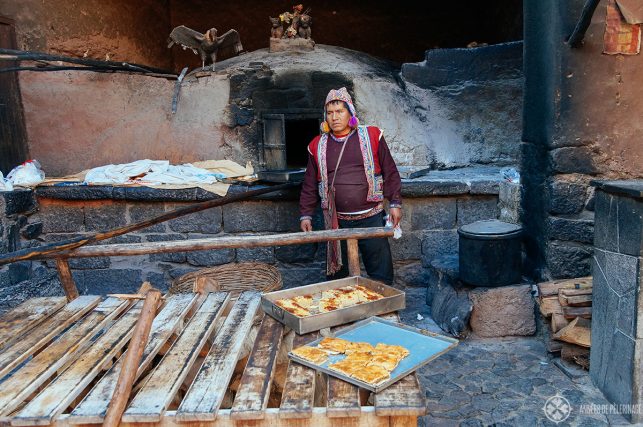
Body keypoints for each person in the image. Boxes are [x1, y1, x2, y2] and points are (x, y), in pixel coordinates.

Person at [299, 87, 402, 285]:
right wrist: (306, 214)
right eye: (330, 113)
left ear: (350, 113)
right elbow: (309, 183)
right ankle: (343, 313)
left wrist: (395, 202)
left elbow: (390, 171)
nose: (334, 117)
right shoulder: (317, 145)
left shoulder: (372, 136)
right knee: (338, 275)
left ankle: (382, 311)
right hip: (337, 221)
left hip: (371, 218)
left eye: (339, 111)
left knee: (380, 272)